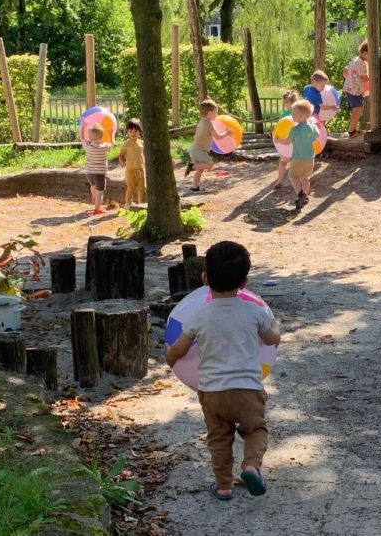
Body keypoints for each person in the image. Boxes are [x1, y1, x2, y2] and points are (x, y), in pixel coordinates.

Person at [166, 241, 281, 501]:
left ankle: (223, 486)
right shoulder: (255, 311)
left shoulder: (197, 314)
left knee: (219, 438)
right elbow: (271, 339)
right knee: (255, 431)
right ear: (245, 282)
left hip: (212, 391)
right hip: (248, 389)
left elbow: (179, 349)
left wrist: (170, 359)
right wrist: (276, 325)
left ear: (205, 278)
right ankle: (251, 466)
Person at [274, 99, 318, 210]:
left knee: (292, 176)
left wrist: (278, 139)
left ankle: (301, 194)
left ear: (301, 116)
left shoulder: (295, 129)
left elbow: (287, 141)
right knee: (305, 178)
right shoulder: (312, 127)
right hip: (310, 158)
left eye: (293, 113)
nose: (291, 115)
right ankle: (305, 197)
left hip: (298, 158)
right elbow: (316, 136)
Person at [185, 99, 232, 192]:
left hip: (195, 149)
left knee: (200, 169)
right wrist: (226, 133)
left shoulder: (202, 122)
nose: (217, 115)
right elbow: (218, 137)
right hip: (198, 150)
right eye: (216, 113)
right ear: (210, 113)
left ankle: (195, 187)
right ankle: (191, 166)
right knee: (210, 165)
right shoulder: (209, 124)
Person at [83, 122, 114, 215]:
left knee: (93, 185)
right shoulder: (104, 146)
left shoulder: (88, 146)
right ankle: (97, 209)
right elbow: (113, 143)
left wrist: (82, 128)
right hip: (99, 174)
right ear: (101, 137)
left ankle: (94, 195)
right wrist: (111, 134)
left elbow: (82, 138)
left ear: (89, 137)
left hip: (89, 173)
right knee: (100, 193)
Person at [343, 40, 369, 138]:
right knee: (358, 110)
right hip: (355, 91)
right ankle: (351, 131)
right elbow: (363, 77)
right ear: (365, 53)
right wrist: (373, 78)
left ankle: (353, 129)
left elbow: (344, 71)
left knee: (357, 109)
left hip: (350, 89)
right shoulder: (362, 63)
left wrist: (350, 79)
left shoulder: (354, 59)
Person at [273, 90, 299, 190]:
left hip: (285, 143)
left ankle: (279, 180)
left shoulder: (283, 114)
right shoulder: (299, 113)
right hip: (295, 142)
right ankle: (297, 182)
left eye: (285, 103)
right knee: (296, 162)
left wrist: (276, 139)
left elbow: (279, 128)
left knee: (283, 162)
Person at [118, 118, 145, 208]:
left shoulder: (142, 143)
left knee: (142, 188)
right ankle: (128, 204)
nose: (133, 133)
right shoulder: (126, 144)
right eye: (130, 131)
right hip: (130, 170)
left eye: (136, 131)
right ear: (127, 132)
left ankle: (142, 204)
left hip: (141, 169)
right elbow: (121, 155)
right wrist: (121, 161)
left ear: (139, 132)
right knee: (131, 188)